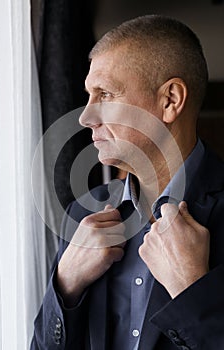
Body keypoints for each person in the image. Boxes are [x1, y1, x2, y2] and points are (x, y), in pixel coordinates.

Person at [31, 15, 224, 350]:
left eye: (105, 94)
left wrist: (191, 290)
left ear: (170, 101)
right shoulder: (81, 213)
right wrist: (66, 285)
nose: (84, 117)